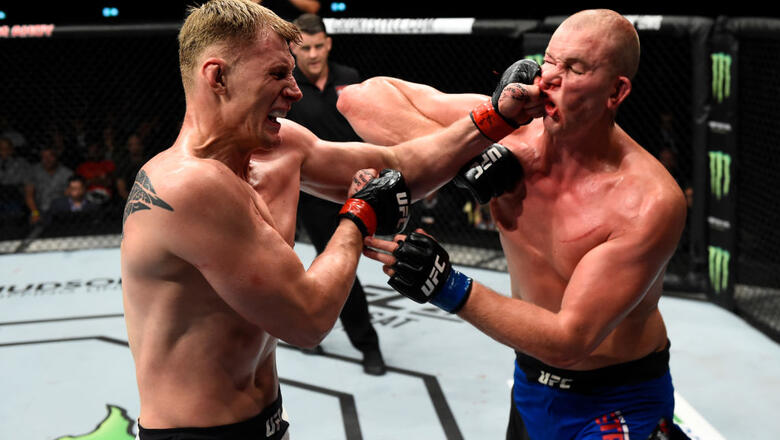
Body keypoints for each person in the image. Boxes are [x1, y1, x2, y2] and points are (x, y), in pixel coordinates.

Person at [120, 0, 536, 438]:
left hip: (267, 419)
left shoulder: (280, 147)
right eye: (278, 74)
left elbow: (399, 166)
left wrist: (498, 116)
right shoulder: (187, 186)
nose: (296, 91)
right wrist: (358, 216)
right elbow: (308, 320)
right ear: (217, 76)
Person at [343, 9, 691, 440]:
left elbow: (569, 340)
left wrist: (444, 284)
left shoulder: (648, 200)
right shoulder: (509, 130)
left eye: (575, 68)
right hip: (530, 382)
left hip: (618, 399)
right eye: (549, 60)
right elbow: (360, 98)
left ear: (615, 92)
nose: (549, 79)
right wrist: (471, 148)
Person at [287, 12, 386, 375]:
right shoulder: (288, 86)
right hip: (311, 194)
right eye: (305, 48)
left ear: (328, 43)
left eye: (318, 46)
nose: (312, 55)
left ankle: (309, 332)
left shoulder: (350, 79)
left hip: (355, 186)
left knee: (343, 264)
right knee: (339, 266)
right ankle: (367, 345)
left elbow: (367, 131)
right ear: (294, 50)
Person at [24, 147, 73, 225]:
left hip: (60, 210)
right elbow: (29, 195)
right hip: (39, 209)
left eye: (50, 156)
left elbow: (72, 195)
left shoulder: (67, 173)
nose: (47, 160)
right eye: (44, 157)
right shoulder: (33, 171)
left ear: (56, 157)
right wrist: (35, 213)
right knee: (33, 220)